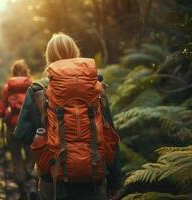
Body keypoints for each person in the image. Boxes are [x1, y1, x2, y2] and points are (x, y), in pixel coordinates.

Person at [14, 33, 122, 200]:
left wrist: (47, 143)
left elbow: (22, 132)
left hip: (53, 179)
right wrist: (114, 183)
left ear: (49, 56)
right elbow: (110, 136)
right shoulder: (95, 87)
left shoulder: (38, 90)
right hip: (94, 177)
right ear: (75, 53)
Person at [0, 59, 33, 200]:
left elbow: (1, 108)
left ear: (13, 72)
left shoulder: (8, 87)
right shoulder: (31, 85)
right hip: (28, 128)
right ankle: (32, 185)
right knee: (32, 157)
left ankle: (22, 189)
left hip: (12, 129)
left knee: (16, 158)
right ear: (26, 71)